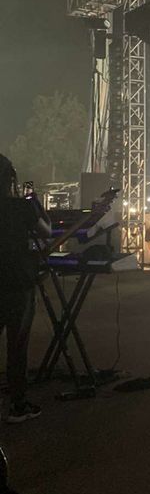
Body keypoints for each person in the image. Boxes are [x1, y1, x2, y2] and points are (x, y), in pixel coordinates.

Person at [0, 155, 51, 423]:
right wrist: (36, 205)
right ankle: (18, 406)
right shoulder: (21, 207)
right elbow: (46, 232)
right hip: (17, 284)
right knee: (17, 348)